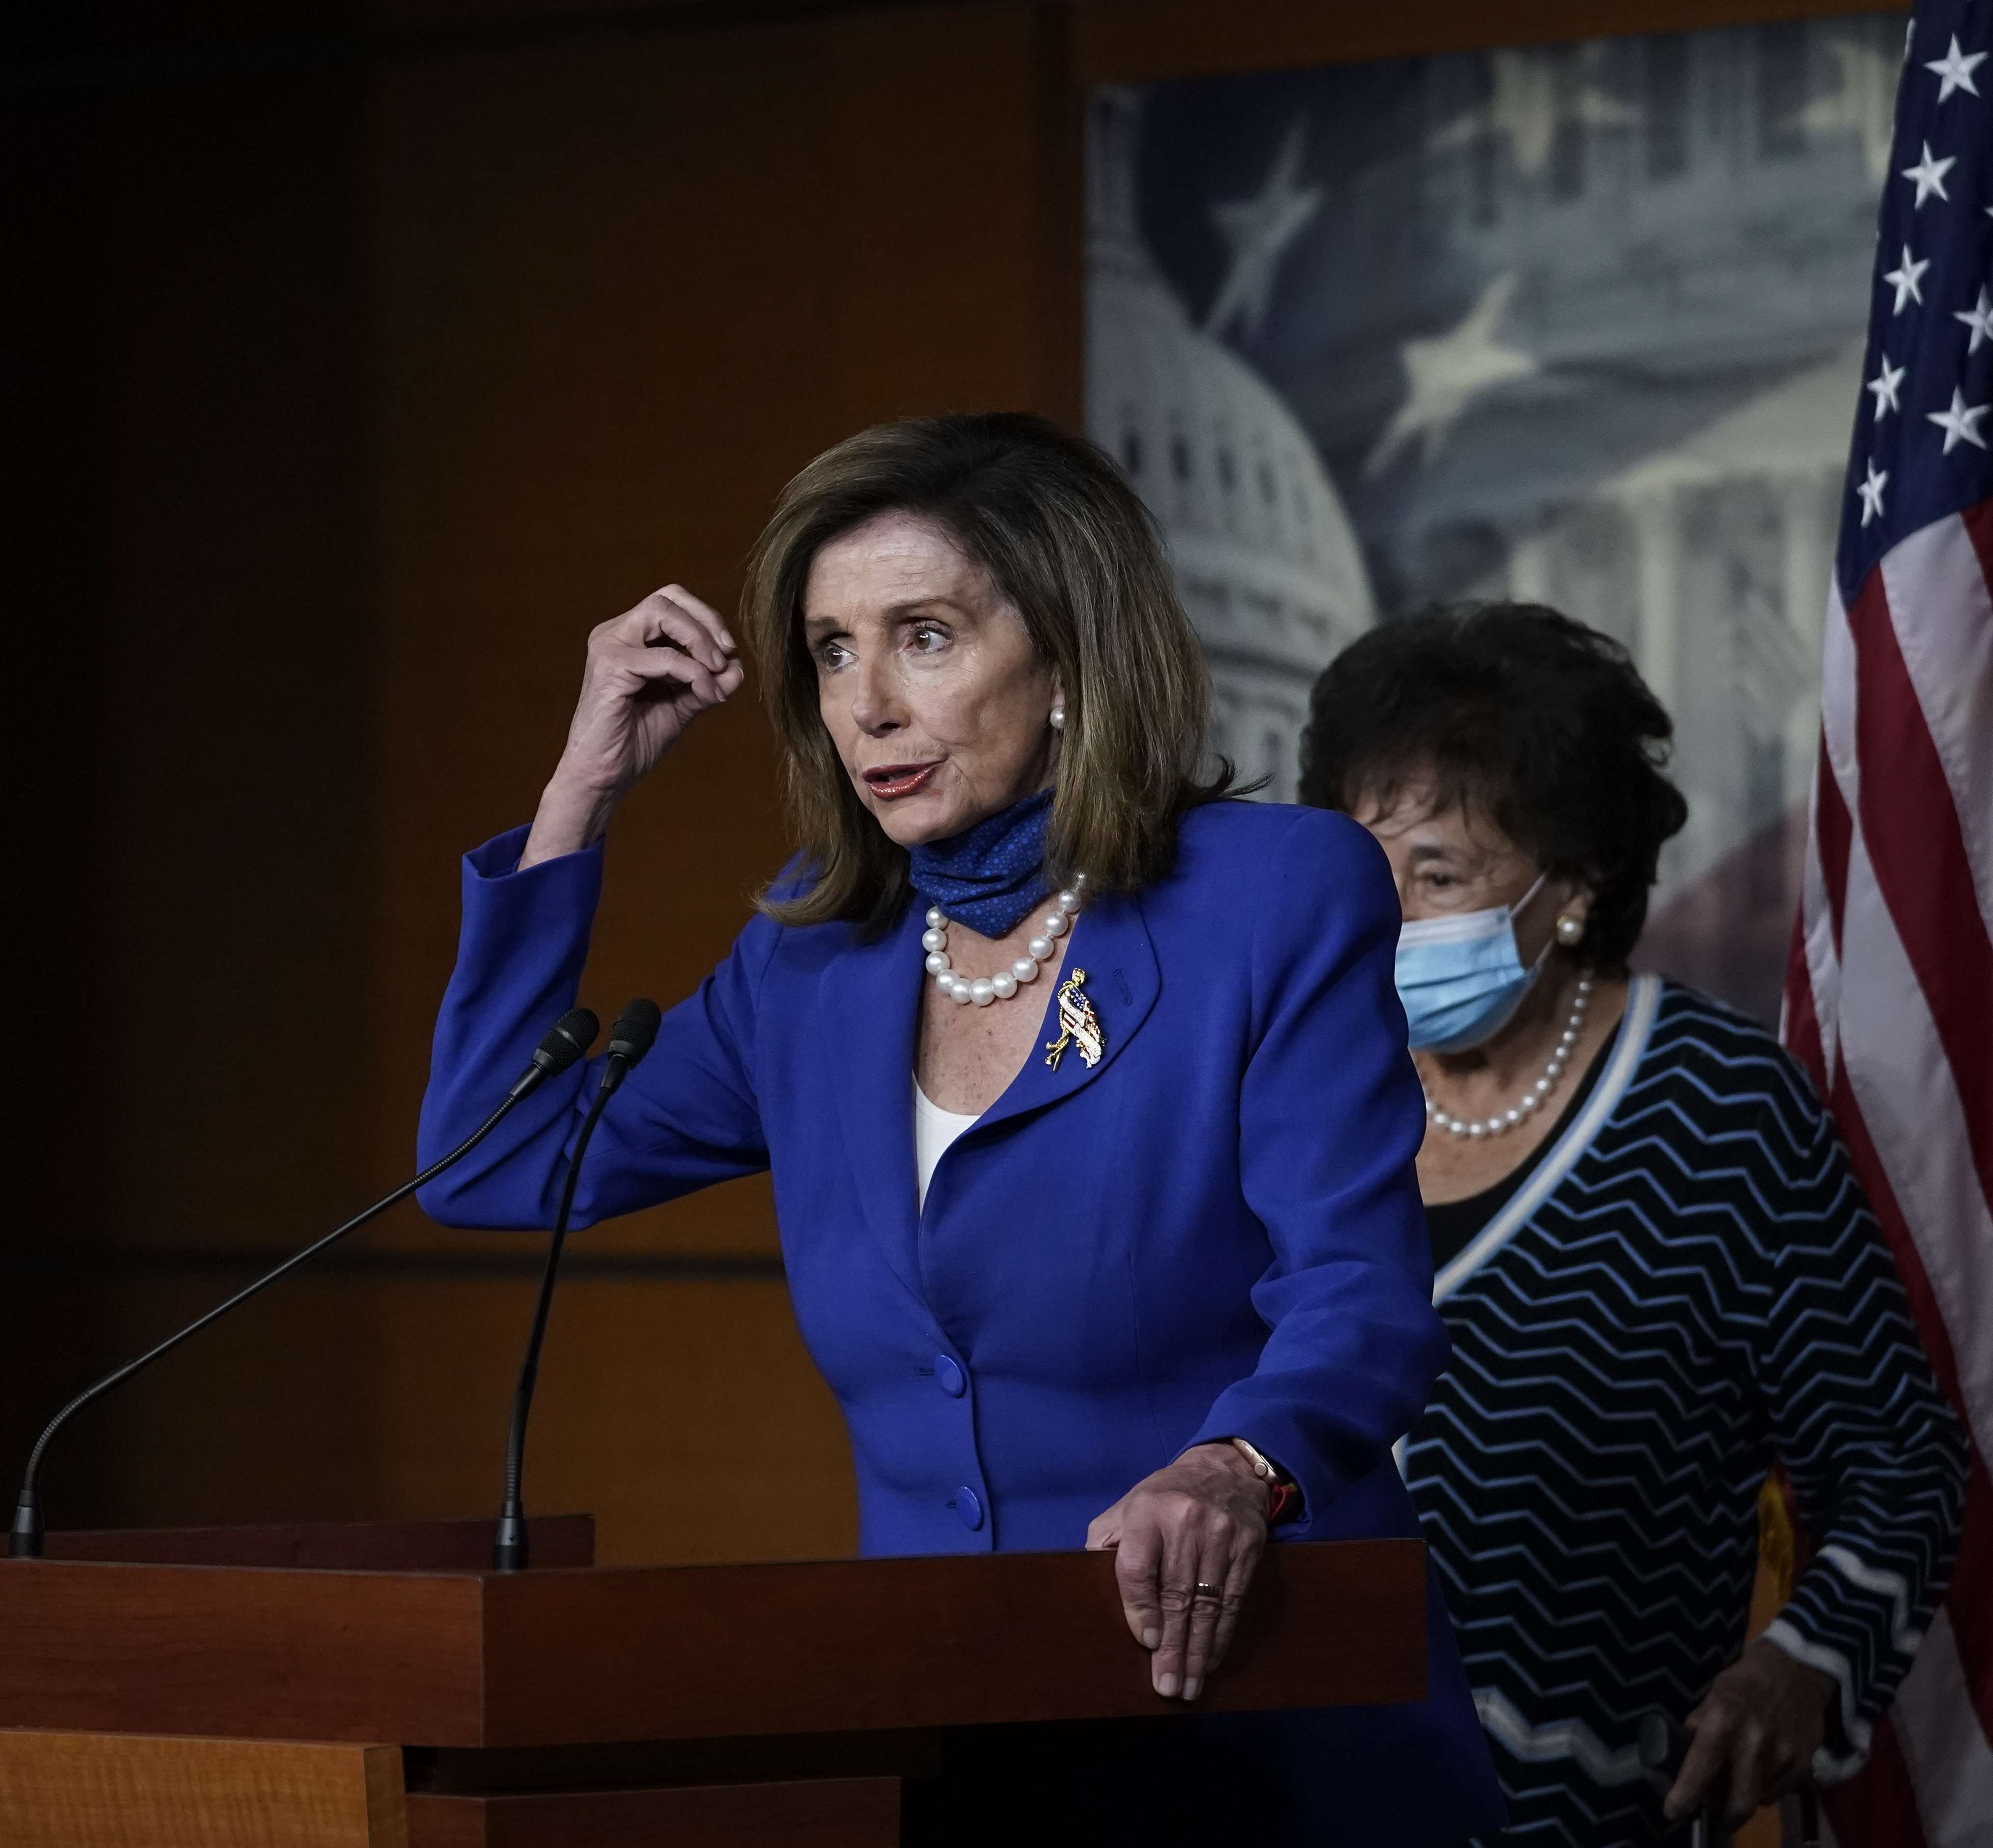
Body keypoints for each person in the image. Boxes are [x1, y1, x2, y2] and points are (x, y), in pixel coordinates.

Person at [415, 414, 1505, 1844]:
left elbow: (1356, 1290)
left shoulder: (1272, 895)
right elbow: (493, 1162)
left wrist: (1236, 1465)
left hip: (1263, 1717)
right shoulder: (808, 962)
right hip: (953, 1739)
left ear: (1070, 657)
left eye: (922, 636)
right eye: (831, 650)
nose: (865, 704)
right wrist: (582, 788)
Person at [1300, 604, 1964, 1845]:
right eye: (1360, 868)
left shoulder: (1722, 1111)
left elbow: (1898, 1462)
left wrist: (1805, 1662)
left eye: (1438, 875)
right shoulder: (1299, 1093)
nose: (1384, 917)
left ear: (1575, 882)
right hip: (1299, 1792)